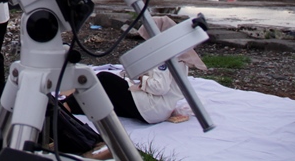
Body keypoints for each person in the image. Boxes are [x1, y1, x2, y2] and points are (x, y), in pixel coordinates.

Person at [65, 16, 207, 123]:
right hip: (161, 109)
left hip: (152, 108)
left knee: (104, 79)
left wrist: (141, 78)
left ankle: (66, 105)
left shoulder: (165, 57)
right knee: (105, 99)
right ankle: (71, 107)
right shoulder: (179, 55)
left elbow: (160, 87)